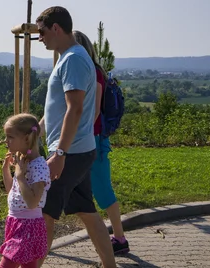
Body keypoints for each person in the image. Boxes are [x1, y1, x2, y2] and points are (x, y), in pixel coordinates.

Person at [34, 6, 117, 268]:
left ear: (56, 28)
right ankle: (110, 265)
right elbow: (60, 107)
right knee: (87, 211)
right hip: (77, 151)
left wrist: (59, 154)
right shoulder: (71, 57)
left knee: (45, 212)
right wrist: (36, 132)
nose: (40, 38)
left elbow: (76, 108)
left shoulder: (72, 59)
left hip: (69, 153)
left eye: (42, 32)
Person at [73, 30, 129, 255]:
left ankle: (119, 239)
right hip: (91, 138)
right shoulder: (92, 71)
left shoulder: (94, 73)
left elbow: (94, 110)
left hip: (93, 139)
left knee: (103, 190)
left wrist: (78, 134)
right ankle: (115, 237)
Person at [0, 113, 52, 268]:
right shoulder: (22, 161)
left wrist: (21, 177)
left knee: (7, 264)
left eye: (10, 137)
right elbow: (12, 193)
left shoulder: (39, 166)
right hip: (16, 222)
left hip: (27, 226)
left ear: (27, 138)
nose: (6, 141)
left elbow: (33, 202)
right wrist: (6, 171)